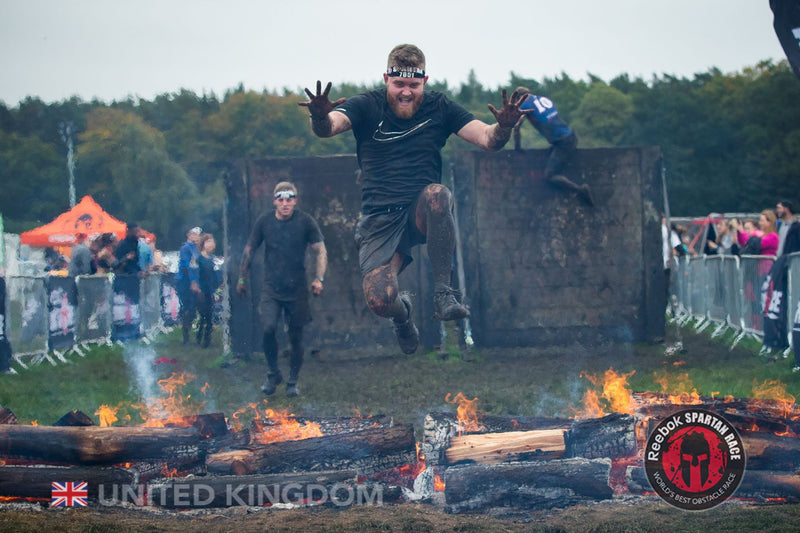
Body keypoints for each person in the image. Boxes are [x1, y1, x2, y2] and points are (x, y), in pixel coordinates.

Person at [299, 43, 529, 355]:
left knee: (438, 194)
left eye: (413, 85)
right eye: (399, 85)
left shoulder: (440, 107)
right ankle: (404, 316)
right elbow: (330, 127)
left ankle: (443, 294)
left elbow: (487, 139)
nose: (406, 92)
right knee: (381, 301)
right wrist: (319, 118)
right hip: (379, 218)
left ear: (424, 81)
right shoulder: (366, 105)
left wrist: (503, 126)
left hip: (419, 211)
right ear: (386, 79)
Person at [238, 182, 327, 398]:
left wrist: (319, 278)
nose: (285, 203)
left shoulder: (305, 221)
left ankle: (292, 381)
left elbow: (321, 251)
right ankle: (273, 373)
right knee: (268, 328)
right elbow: (249, 250)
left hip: (297, 289)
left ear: (295, 200)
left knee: (296, 337)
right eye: (281, 199)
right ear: (274, 201)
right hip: (272, 288)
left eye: (289, 199)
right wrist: (242, 278)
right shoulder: (264, 222)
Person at [512, 87, 594, 206]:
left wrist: (517, 146)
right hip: (570, 137)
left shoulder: (524, 104)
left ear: (519, 98)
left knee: (550, 175)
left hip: (562, 144)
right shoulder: (543, 99)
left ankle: (581, 190)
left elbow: (516, 126)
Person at [176, 227, 202, 345]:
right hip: (185, 281)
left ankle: (190, 333)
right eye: (195, 234)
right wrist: (192, 281)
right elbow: (186, 266)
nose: (197, 237)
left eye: (198, 235)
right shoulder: (186, 248)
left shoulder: (196, 249)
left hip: (193, 281)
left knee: (193, 307)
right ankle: (185, 337)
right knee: (187, 307)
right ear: (189, 235)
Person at [196, 233, 221, 348]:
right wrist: (197, 289)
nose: (211, 244)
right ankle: (199, 335)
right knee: (203, 316)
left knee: (210, 316)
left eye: (212, 241)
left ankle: (207, 340)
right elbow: (194, 274)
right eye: (208, 242)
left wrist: (216, 291)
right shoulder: (197, 258)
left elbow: (214, 277)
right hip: (201, 291)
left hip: (210, 291)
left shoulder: (212, 259)